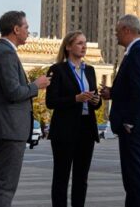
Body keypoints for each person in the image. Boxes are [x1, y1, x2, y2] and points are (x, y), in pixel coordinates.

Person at [0, 10, 50, 207]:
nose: (29, 31)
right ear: (16, 29)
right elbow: (13, 92)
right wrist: (37, 85)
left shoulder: (0, 51)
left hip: (5, 126)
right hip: (10, 128)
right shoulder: (6, 54)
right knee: (5, 184)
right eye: (26, 27)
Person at [99, 14, 140, 207]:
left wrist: (130, 121)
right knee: (132, 179)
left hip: (135, 127)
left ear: (126, 30)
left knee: (138, 178)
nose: (115, 35)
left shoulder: (138, 52)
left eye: (117, 31)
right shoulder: (136, 52)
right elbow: (132, 88)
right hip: (135, 125)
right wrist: (113, 92)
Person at [46, 31, 102, 207]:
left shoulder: (90, 70)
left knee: (81, 177)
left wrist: (96, 100)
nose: (84, 46)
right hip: (65, 129)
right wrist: (75, 99)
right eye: (79, 43)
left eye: (84, 43)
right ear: (68, 46)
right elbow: (51, 102)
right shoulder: (57, 70)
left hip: (86, 128)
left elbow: (96, 102)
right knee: (61, 176)